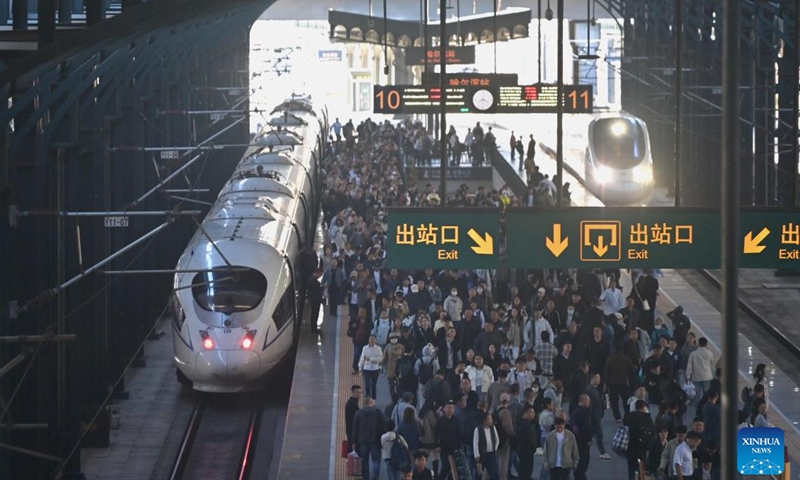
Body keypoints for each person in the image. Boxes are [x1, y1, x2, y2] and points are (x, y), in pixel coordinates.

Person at [352, 396, 388, 480]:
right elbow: (386, 422)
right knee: (376, 460)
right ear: (371, 403)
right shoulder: (377, 412)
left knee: (364, 460)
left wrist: (354, 441)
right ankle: (375, 476)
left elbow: (355, 428)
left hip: (362, 441)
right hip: (375, 440)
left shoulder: (358, 413)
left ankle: (366, 477)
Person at [624, 399, 654, 480]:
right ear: (643, 407)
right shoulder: (646, 417)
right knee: (641, 466)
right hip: (641, 447)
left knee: (631, 467)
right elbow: (651, 432)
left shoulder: (629, 417)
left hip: (630, 445)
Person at [473, 412, 501, 480]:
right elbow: (475, 443)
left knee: (494, 473)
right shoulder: (478, 429)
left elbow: (497, 439)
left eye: (491, 419)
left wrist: (495, 448)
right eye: (489, 419)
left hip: (491, 454)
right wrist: (477, 455)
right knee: (479, 473)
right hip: (482, 455)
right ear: (484, 420)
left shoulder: (493, 428)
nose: (490, 420)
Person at [516, 405, 540, 480]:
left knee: (523, 470)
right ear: (527, 413)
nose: (534, 414)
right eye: (532, 412)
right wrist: (533, 448)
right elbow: (529, 439)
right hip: (527, 451)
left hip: (522, 450)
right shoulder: (526, 425)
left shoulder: (520, 423)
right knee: (526, 471)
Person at [359, 335, 383, 400]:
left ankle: (374, 398)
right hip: (366, 368)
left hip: (375, 369)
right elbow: (362, 358)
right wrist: (360, 367)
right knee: (367, 384)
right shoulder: (365, 348)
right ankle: (367, 398)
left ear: (375, 340)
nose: (372, 341)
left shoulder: (378, 349)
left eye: (373, 339)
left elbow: (380, 358)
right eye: (371, 339)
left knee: (373, 385)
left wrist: (371, 359)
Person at [306, 268, 324, 332]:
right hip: (315, 300)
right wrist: (322, 287)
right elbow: (318, 289)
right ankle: (313, 328)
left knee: (315, 313)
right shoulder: (313, 281)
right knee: (315, 314)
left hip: (314, 299)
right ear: (316, 273)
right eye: (320, 274)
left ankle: (314, 327)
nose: (320, 276)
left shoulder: (312, 280)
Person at [346, 385, 363, 451]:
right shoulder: (352, 404)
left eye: (360, 392)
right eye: (357, 392)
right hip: (352, 430)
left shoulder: (352, 403)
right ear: (352, 393)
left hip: (352, 430)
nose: (359, 394)